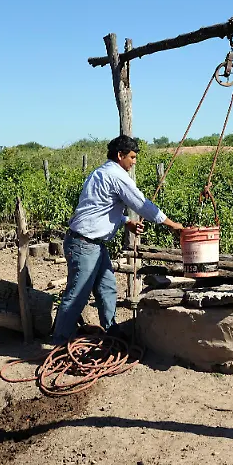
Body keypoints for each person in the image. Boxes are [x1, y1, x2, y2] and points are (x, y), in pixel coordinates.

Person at [52, 135, 184, 345]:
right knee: (77, 294)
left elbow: (98, 208)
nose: (134, 161)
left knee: (107, 287)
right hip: (85, 243)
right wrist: (172, 224)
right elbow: (142, 204)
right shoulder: (117, 176)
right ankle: (59, 343)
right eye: (132, 157)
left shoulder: (100, 172)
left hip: (90, 242)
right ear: (120, 155)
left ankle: (111, 331)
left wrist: (125, 221)